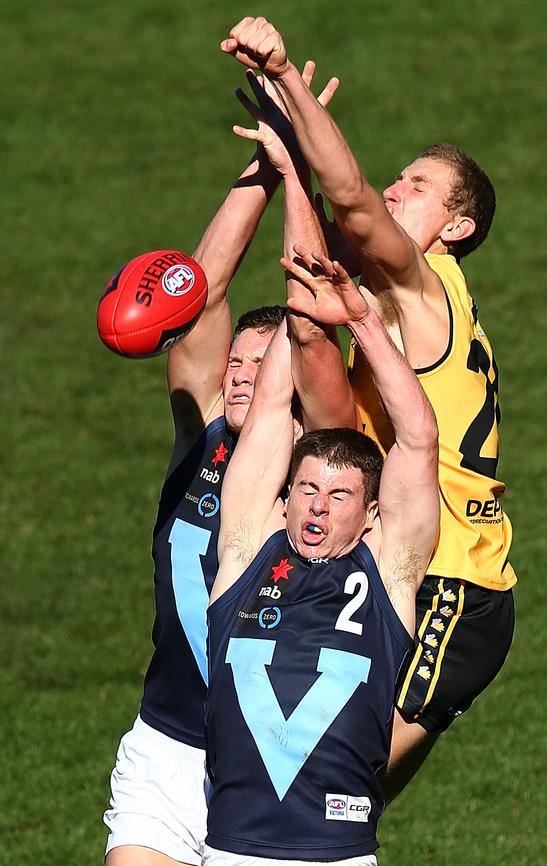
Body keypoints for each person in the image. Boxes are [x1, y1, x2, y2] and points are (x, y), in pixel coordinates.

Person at [221, 16, 516, 801]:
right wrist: (290, 172)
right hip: (410, 574)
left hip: (452, 588)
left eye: (418, 188)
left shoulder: (422, 287)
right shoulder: (384, 312)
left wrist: (285, 76)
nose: (395, 189)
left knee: (316, 792)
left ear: (456, 227)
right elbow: (315, 283)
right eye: (400, 178)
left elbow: (349, 201)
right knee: (332, 808)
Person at [103, 64, 342, 866]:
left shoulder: (315, 475)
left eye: (258, 363)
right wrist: (267, 169)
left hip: (268, 767)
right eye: (232, 361)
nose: (239, 373)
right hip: (165, 751)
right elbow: (196, 299)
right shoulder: (201, 435)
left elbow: (312, 329)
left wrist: (307, 184)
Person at [202, 249, 439, 866]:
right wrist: (298, 313)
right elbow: (270, 412)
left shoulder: (389, 574)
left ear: (371, 516)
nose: (317, 508)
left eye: (339, 496)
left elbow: (417, 438)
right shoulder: (247, 549)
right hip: (232, 852)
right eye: (306, 489)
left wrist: (358, 317)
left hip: (337, 856)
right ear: (285, 499)